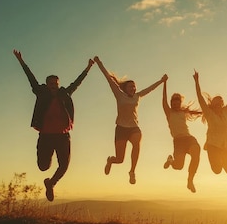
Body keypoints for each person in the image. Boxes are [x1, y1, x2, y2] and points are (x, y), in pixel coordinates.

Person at [13, 49, 93, 202]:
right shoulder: (41, 92)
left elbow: (77, 82)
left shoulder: (65, 94)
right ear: (47, 84)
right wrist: (21, 61)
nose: (53, 86)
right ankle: (47, 177)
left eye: (55, 84)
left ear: (58, 84)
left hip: (63, 137)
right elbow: (30, 77)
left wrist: (88, 68)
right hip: (45, 137)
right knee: (43, 167)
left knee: (64, 166)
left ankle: (51, 183)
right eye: (50, 84)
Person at [94, 56, 166, 185]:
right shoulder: (118, 94)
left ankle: (132, 171)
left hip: (134, 127)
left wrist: (161, 81)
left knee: (137, 143)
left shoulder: (138, 96)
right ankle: (111, 160)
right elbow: (108, 78)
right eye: (130, 87)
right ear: (124, 88)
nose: (133, 88)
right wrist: (99, 63)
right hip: (121, 128)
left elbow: (150, 89)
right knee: (120, 159)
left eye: (134, 87)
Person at [193, 70, 227, 177]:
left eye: (221, 101)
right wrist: (196, 81)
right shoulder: (209, 114)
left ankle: (224, 159)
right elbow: (200, 98)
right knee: (217, 170)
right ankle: (219, 159)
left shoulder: (226, 112)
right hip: (213, 145)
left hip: (226, 146)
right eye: (217, 101)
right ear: (213, 104)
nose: (220, 103)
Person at [162, 76, 202, 193]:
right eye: (173, 103)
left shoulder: (183, 112)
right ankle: (171, 161)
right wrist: (164, 83)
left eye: (177, 102)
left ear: (180, 103)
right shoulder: (169, 112)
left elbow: (200, 111)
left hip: (189, 138)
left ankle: (190, 180)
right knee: (178, 166)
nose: (175, 104)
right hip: (178, 141)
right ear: (171, 104)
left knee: (196, 152)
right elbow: (164, 100)